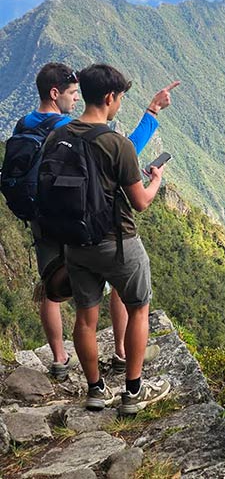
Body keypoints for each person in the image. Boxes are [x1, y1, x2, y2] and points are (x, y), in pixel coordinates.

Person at [17, 63, 178, 380]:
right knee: (131, 297)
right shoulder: (94, 135)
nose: (74, 99)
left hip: (59, 229)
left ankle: (80, 378)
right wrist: (152, 118)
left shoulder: (43, 130)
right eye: (71, 93)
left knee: (74, 309)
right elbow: (134, 181)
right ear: (109, 97)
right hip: (103, 232)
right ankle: (127, 372)